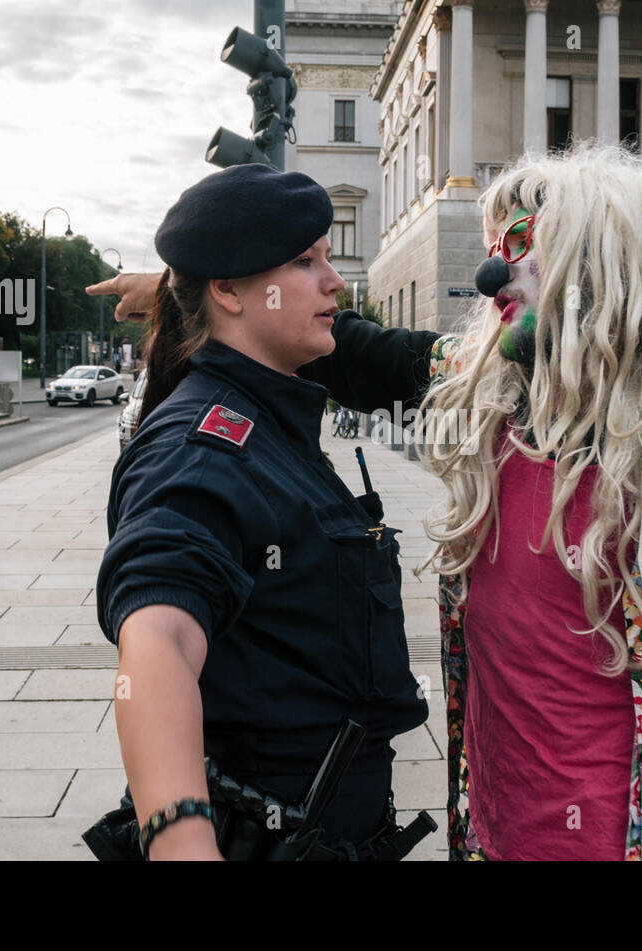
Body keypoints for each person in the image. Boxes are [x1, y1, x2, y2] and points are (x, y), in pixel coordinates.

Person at [96, 145, 642, 861]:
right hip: (490, 840)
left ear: (600, 273)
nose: (491, 279)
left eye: (523, 253)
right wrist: (192, 287)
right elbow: (358, 350)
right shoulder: (494, 397)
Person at [86, 164, 431, 861]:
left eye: (329, 257)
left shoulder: (267, 417)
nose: (336, 281)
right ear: (227, 291)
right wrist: (180, 838)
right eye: (306, 261)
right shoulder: (204, 446)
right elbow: (158, 639)